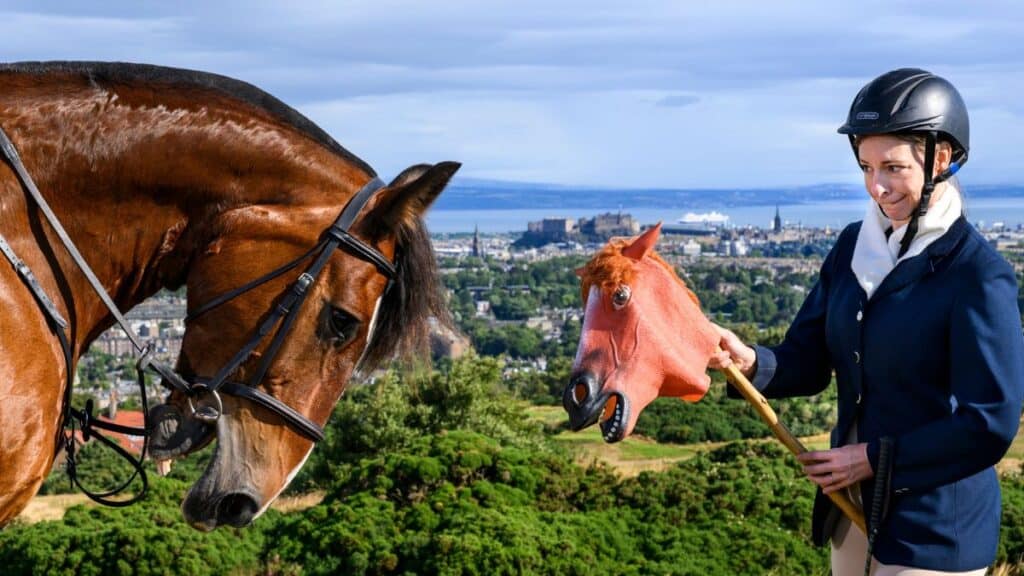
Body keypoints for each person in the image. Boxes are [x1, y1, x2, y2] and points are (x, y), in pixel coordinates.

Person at [710, 68, 1024, 575]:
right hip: (851, 513)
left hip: (936, 530)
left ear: (940, 158)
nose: (877, 187)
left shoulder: (978, 274)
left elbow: (989, 424)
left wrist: (872, 459)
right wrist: (751, 360)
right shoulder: (852, 247)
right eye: (866, 166)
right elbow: (809, 359)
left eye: (894, 167)